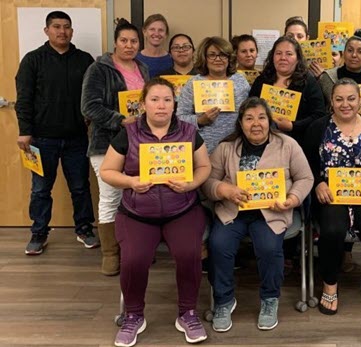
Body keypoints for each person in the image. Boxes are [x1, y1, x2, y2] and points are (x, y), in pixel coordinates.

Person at [100, 78, 211, 346]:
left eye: (167, 100)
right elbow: (106, 171)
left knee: (188, 254)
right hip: (137, 213)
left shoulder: (188, 131)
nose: (161, 106)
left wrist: (192, 184)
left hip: (182, 210)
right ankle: (133, 316)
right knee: (134, 260)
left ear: (175, 105)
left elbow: (204, 167)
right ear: (143, 105)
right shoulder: (127, 134)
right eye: (154, 100)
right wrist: (131, 182)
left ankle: (187, 313)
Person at [202, 97, 313, 332]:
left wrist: (292, 199)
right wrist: (224, 189)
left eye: (261, 117)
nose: (256, 123)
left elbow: (305, 178)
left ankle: (269, 299)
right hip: (233, 211)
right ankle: (223, 300)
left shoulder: (287, 145)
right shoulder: (226, 148)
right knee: (218, 244)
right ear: (240, 123)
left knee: (269, 248)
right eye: (249, 118)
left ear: (269, 121)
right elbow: (208, 182)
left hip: (271, 212)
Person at [304, 78, 361, 315]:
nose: (345, 104)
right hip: (331, 196)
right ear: (331, 102)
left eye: (351, 98)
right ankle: (330, 284)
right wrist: (318, 183)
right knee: (332, 230)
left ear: (360, 101)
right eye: (339, 99)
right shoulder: (318, 127)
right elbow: (305, 165)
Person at [15, 11, 97, 255]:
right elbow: (24, 99)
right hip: (41, 139)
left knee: (80, 187)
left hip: (77, 138)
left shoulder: (84, 59)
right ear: (47, 30)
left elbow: (92, 95)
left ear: (72, 31)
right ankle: (39, 233)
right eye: (57, 27)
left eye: (67, 27)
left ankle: (84, 228)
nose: (62, 31)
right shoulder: (33, 60)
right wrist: (24, 131)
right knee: (41, 189)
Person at [81, 19, 150, 275]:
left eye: (134, 41)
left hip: (140, 143)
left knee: (136, 196)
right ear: (115, 43)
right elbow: (89, 107)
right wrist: (121, 120)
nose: (129, 45)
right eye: (124, 41)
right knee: (111, 197)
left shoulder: (142, 67)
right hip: (106, 143)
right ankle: (111, 253)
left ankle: (135, 249)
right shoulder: (99, 69)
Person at [177, 36, 251, 154]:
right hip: (204, 150)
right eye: (212, 55)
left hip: (237, 148)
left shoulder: (240, 80)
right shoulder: (193, 83)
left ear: (229, 58)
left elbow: (250, 113)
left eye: (223, 55)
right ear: (204, 58)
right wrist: (200, 120)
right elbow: (180, 118)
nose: (218, 59)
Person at [249, 36, 326, 143]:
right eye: (278, 53)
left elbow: (319, 115)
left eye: (289, 54)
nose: (283, 58)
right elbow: (249, 110)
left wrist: (292, 126)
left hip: (298, 143)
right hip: (263, 142)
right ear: (272, 56)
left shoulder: (308, 82)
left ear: (298, 58)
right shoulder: (261, 80)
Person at [313, 29, 361, 133]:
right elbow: (318, 110)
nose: (354, 55)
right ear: (344, 53)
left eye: (360, 52)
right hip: (331, 132)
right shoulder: (327, 78)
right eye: (350, 50)